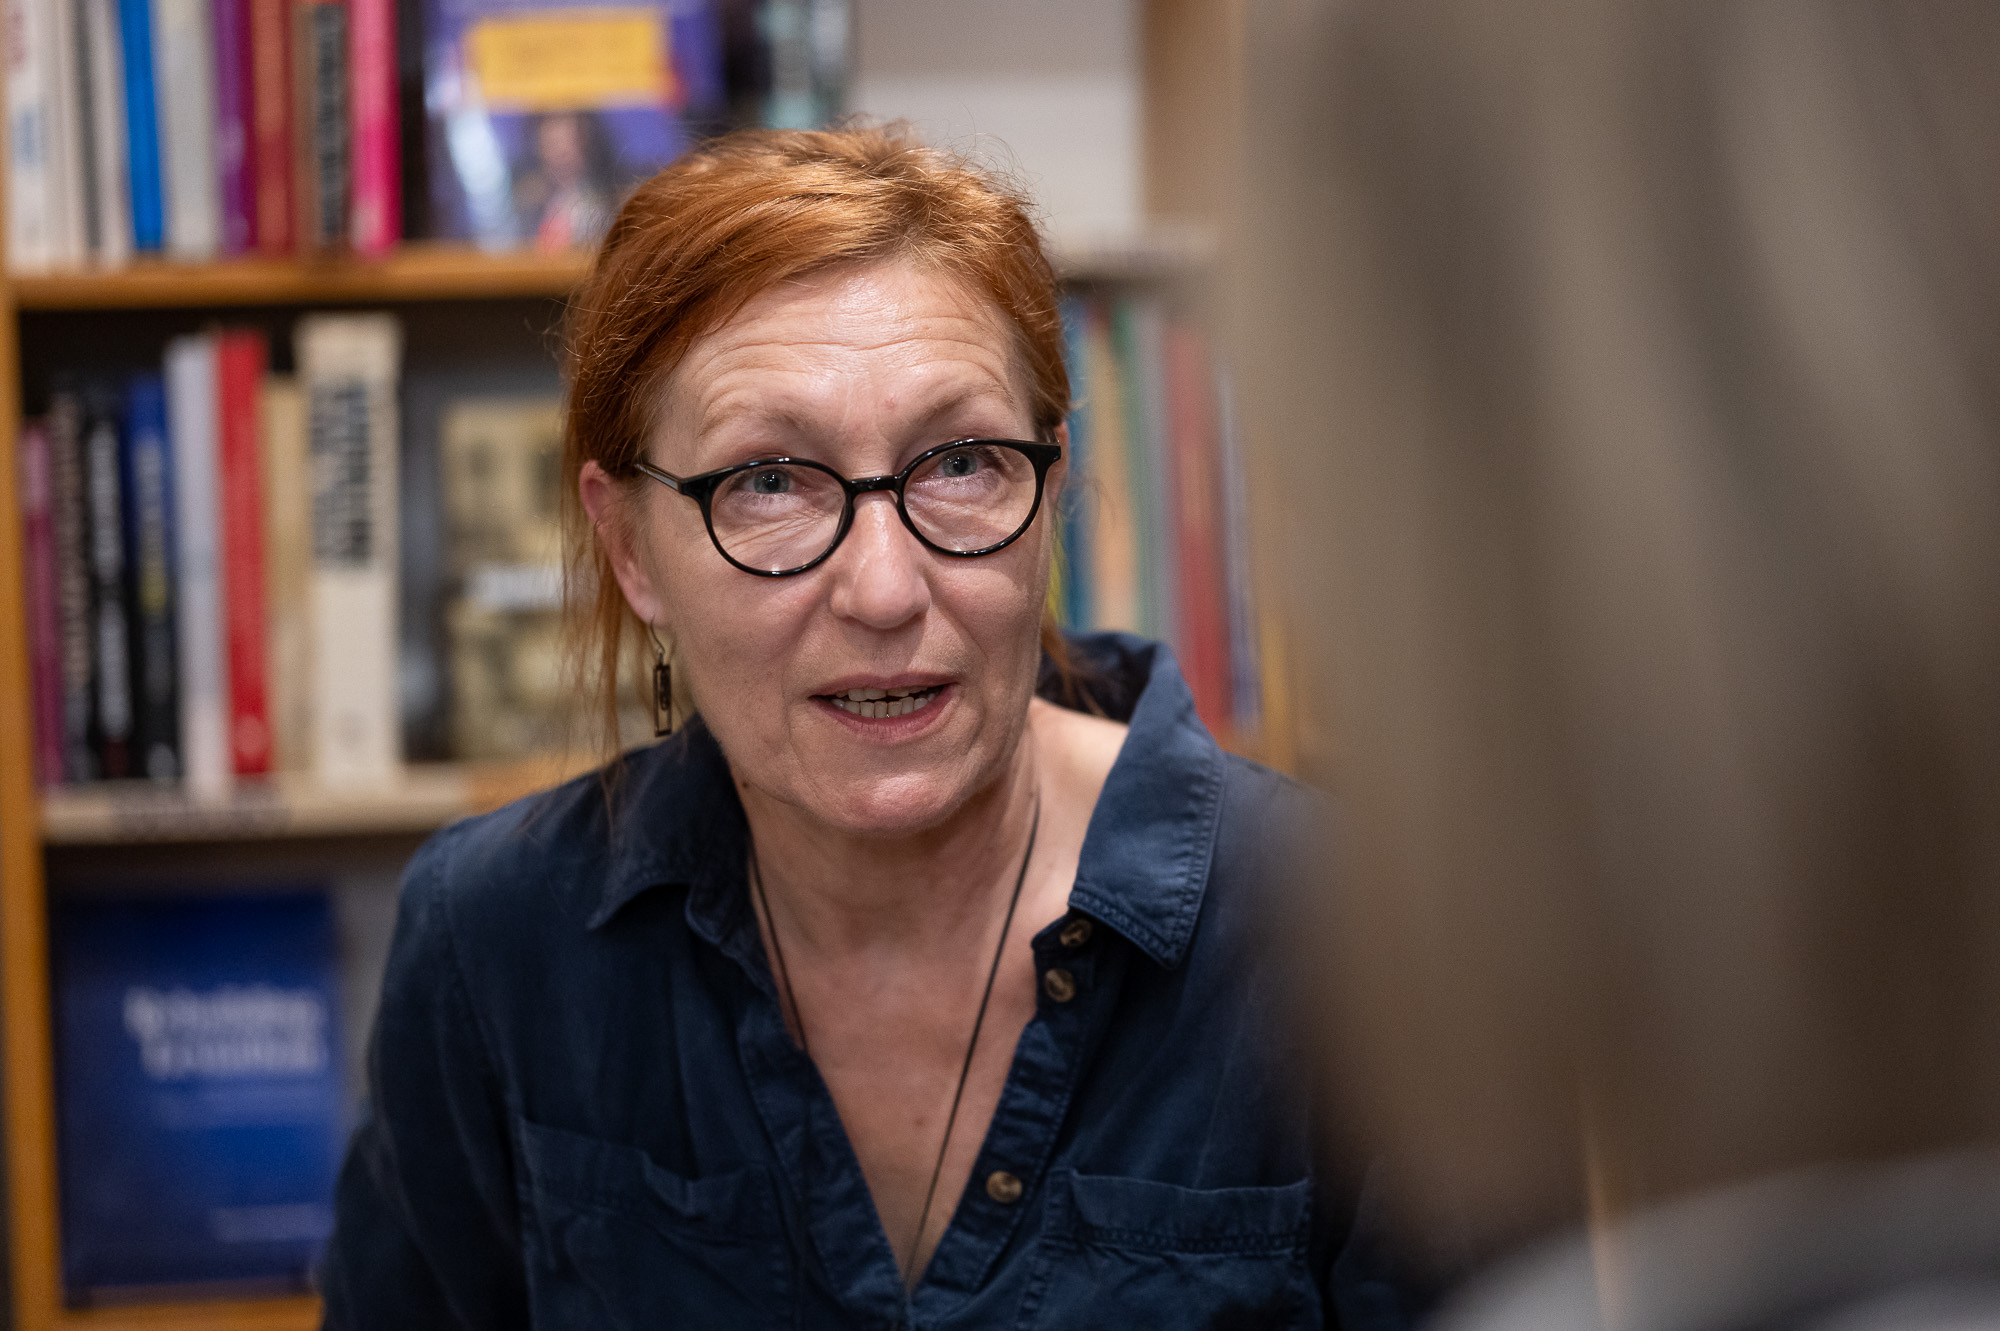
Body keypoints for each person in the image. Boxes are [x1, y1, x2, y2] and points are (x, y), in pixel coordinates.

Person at [320, 126, 1417, 1328]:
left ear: (1049, 490)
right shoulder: (494, 941)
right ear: (629, 546)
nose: (884, 589)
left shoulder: (1346, 933)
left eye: (960, 462)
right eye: (768, 481)